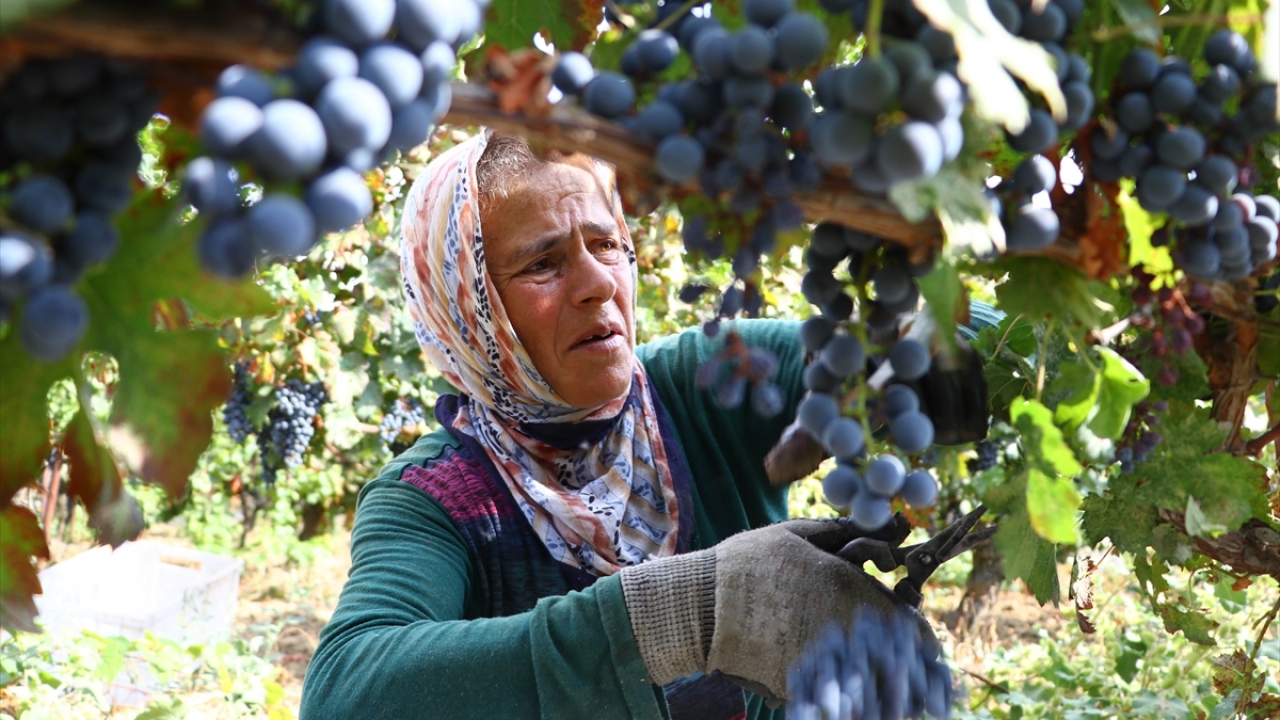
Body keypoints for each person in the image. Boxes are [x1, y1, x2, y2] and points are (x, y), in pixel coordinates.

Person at [299, 131, 924, 720]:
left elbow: (896, 347)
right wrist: (680, 614)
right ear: (467, 311)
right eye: (543, 263)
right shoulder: (433, 501)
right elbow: (345, 695)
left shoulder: (705, 380)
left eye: (605, 244)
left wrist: (933, 369)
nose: (599, 284)